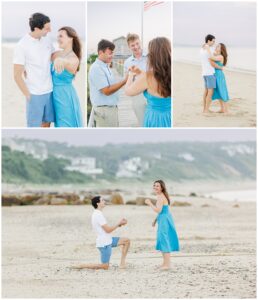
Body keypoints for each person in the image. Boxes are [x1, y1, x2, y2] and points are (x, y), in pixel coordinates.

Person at [13, 13, 55, 127]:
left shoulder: (47, 40)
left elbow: (54, 56)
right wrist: (28, 95)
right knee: (34, 128)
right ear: (36, 29)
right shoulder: (22, 45)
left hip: (50, 91)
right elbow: (17, 75)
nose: (50, 30)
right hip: (35, 93)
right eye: (47, 28)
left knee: (47, 124)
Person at [72, 196, 130, 270]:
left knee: (126, 241)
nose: (104, 201)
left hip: (108, 240)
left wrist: (119, 224)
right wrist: (119, 223)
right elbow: (108, 230)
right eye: (102, 200)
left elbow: (106, 230)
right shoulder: (98, 215)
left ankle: (122, 264)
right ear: (98, 203)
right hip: (104, 243)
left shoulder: (98, 213)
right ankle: (81, 266)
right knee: (105, 266)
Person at [124, 37, 171, 128]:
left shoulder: (148, 77)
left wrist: (131, 74)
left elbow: (127, 91)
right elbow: (158, 79)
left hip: (155, 118)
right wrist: (140, 72)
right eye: (132, 45)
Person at [88, 39, 128, 127]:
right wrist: (125, 81)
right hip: (105, 111)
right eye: (110, 53)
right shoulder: (96, 68)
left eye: (112, 53)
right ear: (100, 52)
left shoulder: (105, 66)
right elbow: (106, 90)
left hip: (110, 110)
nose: (112, 56)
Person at [51, 26, 83, 127]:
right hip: (52, 95)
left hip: (65, 97)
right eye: (57, 36)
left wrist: (62, 61)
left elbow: (70, 63)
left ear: (71, 38)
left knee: (65, 126)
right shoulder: (56, 54)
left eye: (61, 36)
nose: (58, 39)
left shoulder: (74, 58)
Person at [145, 180, 179, 270]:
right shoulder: (160, 196)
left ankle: (167, 265)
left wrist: (149, 203)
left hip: (164, 220)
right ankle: (165, 263)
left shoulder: (160, 197)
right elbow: (163, 210)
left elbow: (158, 210)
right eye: (154, 185)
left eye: (157, 186)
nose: (155, 187)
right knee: (162, 239)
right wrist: (155, 220)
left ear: (162, 188)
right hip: (164, 218)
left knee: (164, 240)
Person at [124, 33, 147, 126]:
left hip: (152, 92)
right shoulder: (127, 62)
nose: (136, 47)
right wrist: (131, 75)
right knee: (142, 121)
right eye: (132, 45)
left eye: (137, 43)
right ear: (129, 47)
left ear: (140, 42)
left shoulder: (151, 56)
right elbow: (127, 81)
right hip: (137, 95)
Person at [200, 34, 223, 113]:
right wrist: (220, 67)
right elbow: (211, 57)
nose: (214, 43)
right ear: (209, 40)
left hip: (204, 73)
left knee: (206, 91)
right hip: (210, 73)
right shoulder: (208, 49)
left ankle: (204, 109)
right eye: (213, 41)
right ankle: (206, 110)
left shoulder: (202, 49)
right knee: (210, 93)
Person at [205, 43, 230, 113]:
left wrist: (207, 49)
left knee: (222, 92)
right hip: (215, 75)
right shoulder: (217, 55)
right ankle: (222, 109)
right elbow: (211, 59)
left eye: (218, 46)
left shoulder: (221, 56)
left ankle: (226, 110)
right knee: (219, 92)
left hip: (219, 76)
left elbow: (211, 58)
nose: (216, 46)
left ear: (221, 49)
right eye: (217, 46)